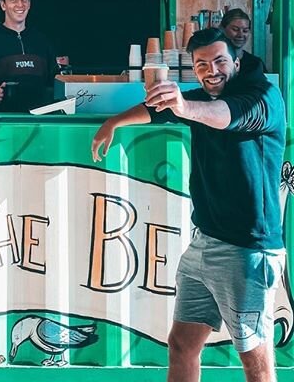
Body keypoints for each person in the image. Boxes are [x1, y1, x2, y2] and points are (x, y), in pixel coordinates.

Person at [91, 28, 286, 382]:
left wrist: (183, 105)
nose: (212, 70)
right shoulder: (205, 97)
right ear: (193, 69)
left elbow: (225, 116)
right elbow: (161, 110)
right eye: (202, 65)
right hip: (205, 244)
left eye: (220, 61)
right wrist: (115, 120)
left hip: (248, 250)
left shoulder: (263, 98)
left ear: (237, 62)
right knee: (181, 345)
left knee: (255, 361)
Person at [220, 8, 266, 75]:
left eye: (245, 31)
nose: (240, 35)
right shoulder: (213, 62)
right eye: (235, 29)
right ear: (222, 29)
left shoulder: (255, 64)